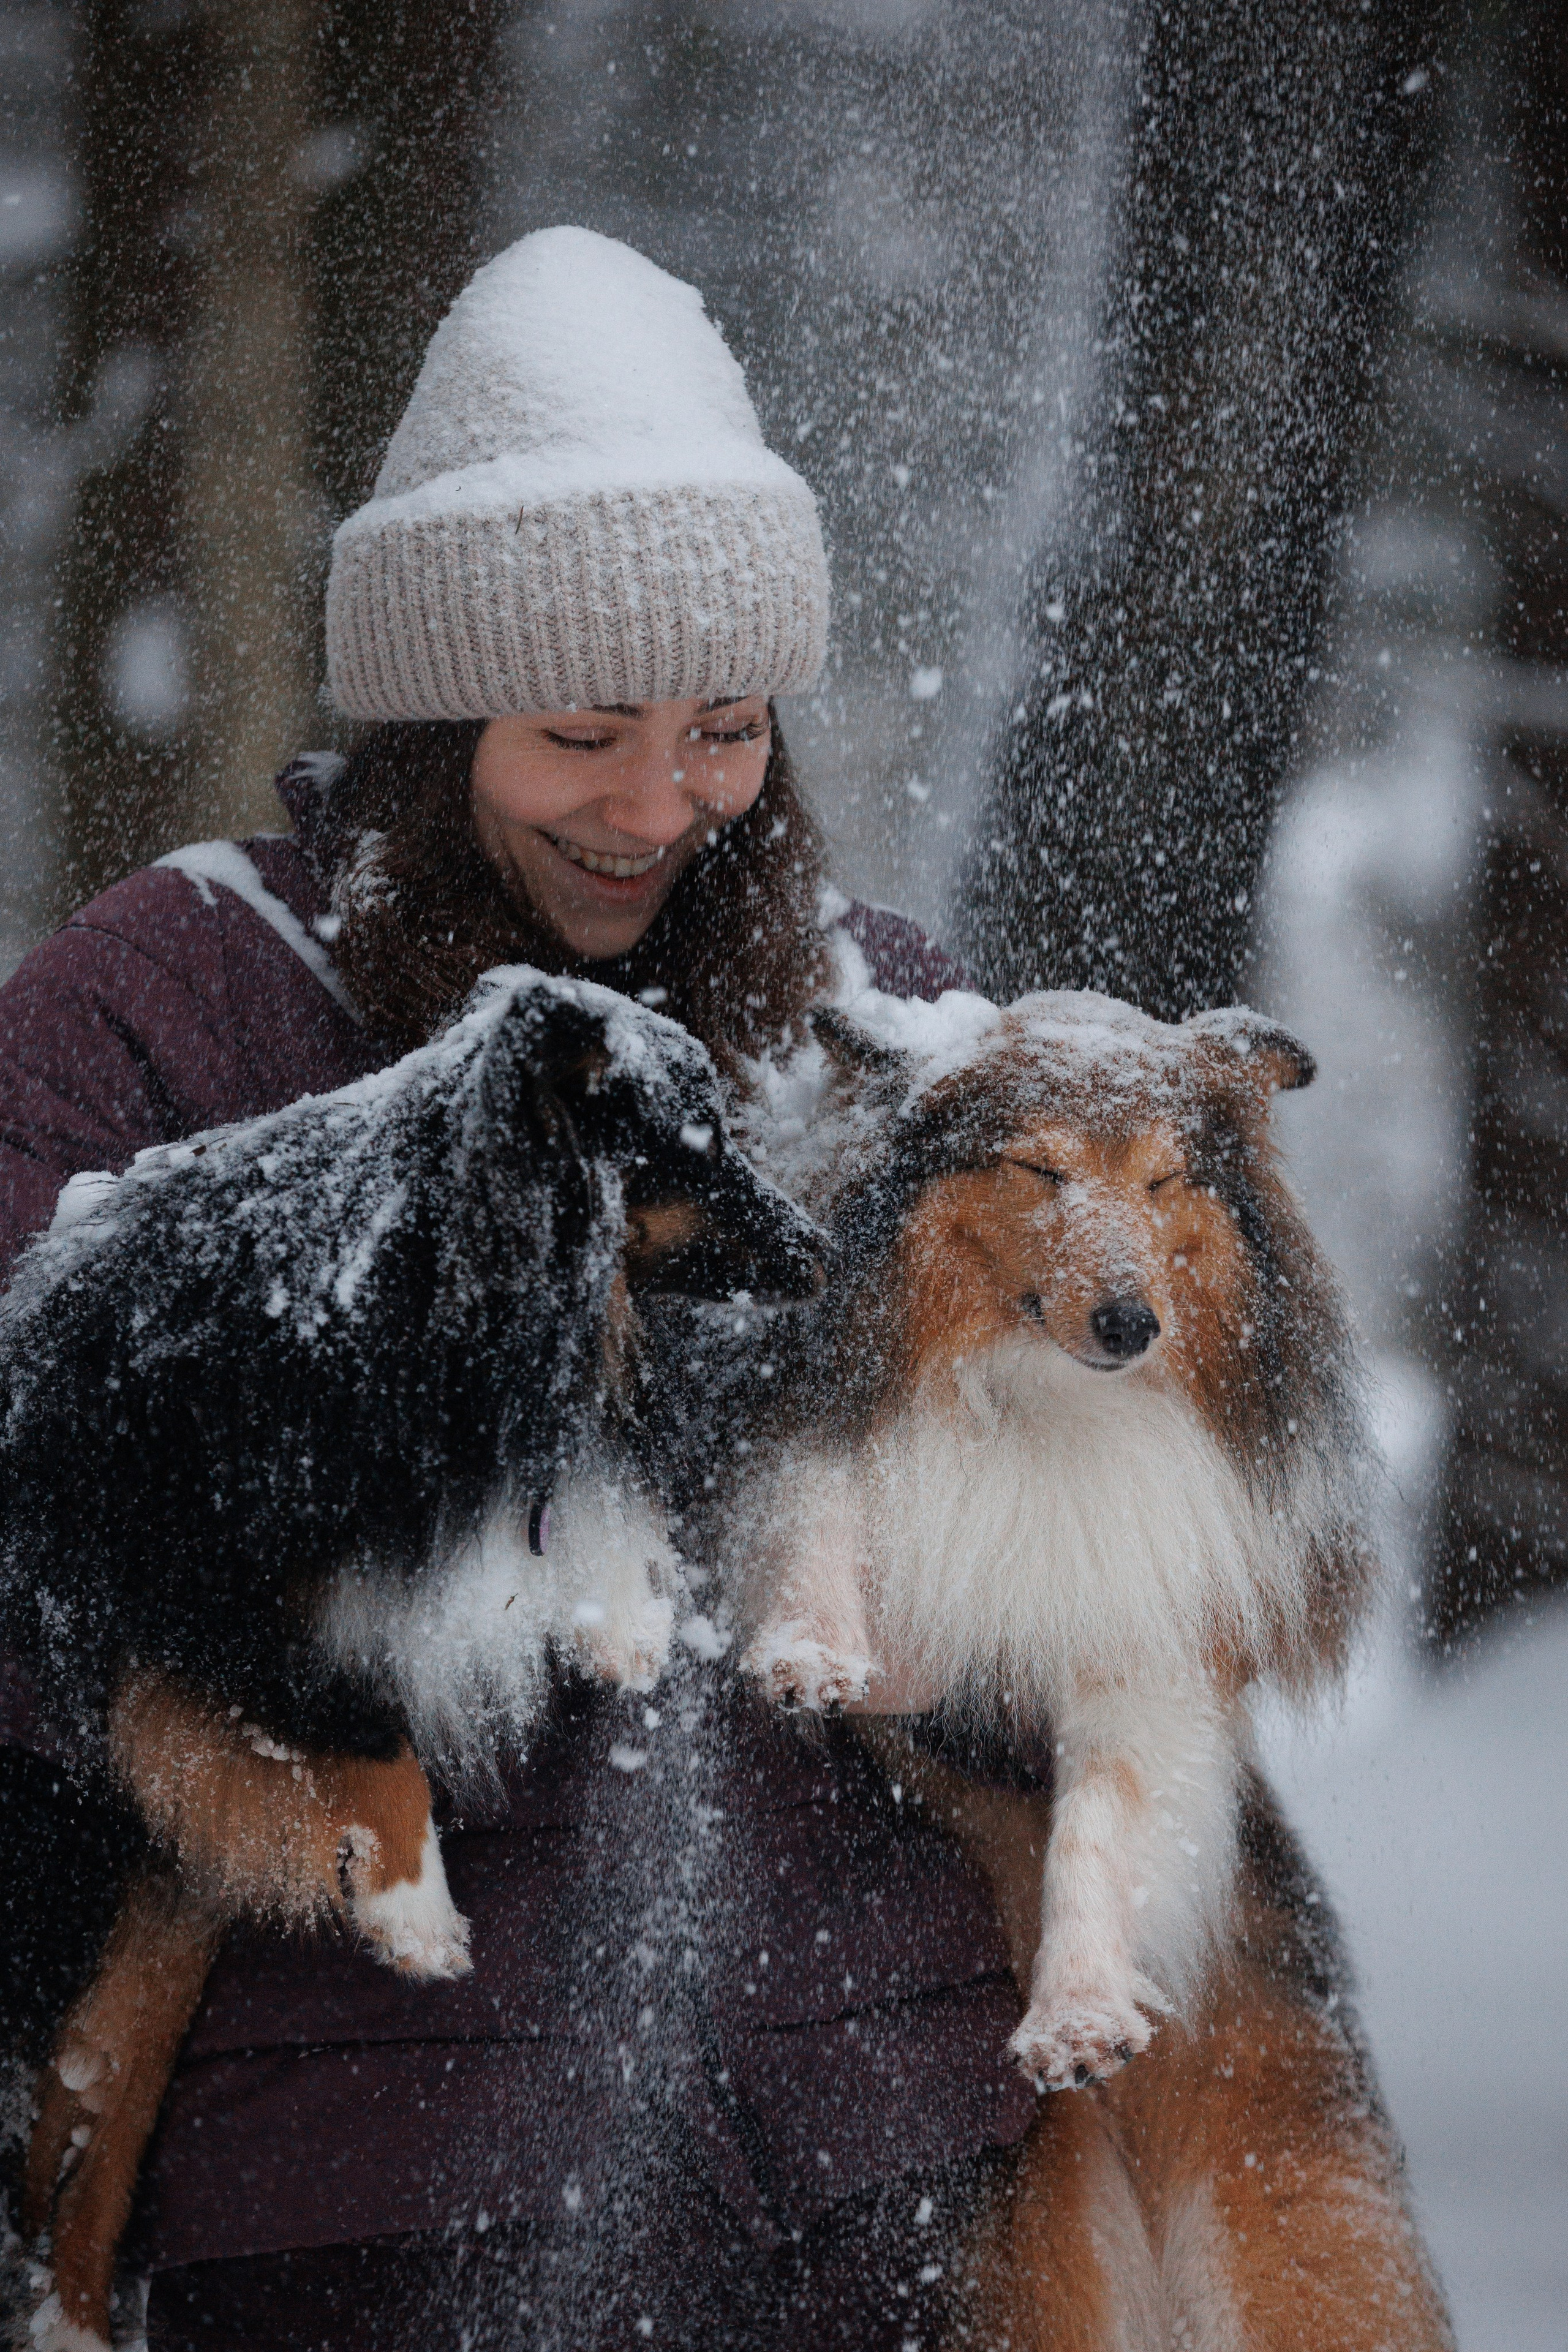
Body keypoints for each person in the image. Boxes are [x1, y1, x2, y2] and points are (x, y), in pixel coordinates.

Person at [0, 229, 1034, 2350]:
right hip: (359, 2165)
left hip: (880, 2156)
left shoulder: (888, 1022)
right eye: (580, 733)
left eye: (725, 732)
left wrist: (976, 1622)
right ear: (430, 717)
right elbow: (39, 1561)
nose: (660, 808)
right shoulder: (167, 1003)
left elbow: (1113, 1571)